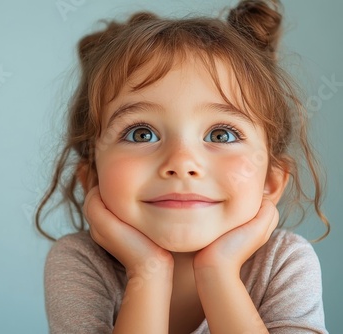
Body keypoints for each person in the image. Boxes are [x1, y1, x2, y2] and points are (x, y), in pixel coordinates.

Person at [36, 0, 330, 332]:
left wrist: (217, 271)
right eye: (141, 133)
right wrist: (148, 271)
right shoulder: (81, 262)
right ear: (92, 180)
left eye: (221, 134)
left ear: (271, 183)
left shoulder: (283, 263)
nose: (181, 163)